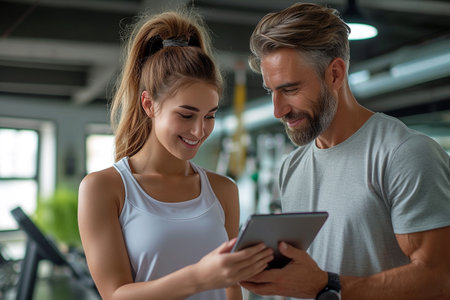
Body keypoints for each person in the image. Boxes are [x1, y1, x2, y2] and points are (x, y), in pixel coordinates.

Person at [240, 3, 450, 300]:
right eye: (270, 91)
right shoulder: (292, 167)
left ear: (335, 74)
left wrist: (329, 288)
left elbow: (440, 279)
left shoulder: (404, 153)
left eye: (290, 89)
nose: (278, 110)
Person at [77, 9, 274, 300]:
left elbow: (232, 289)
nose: (199, 131)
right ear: (149, 104)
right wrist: (200, 277)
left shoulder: (223, 190)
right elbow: (115, 295)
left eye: (209, 116)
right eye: (186, 115)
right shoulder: (104, 188)